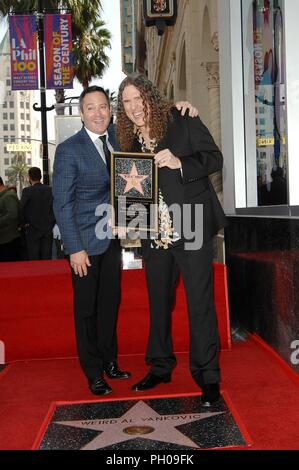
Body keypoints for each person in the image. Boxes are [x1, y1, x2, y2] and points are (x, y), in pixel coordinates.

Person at [52, 85, 198, 396]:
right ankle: (93, 372)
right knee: (86, 310)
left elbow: (149, 128)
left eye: (103, 106)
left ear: (110, 110)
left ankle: (109, 362)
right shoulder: (69, 149)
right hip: (83, 246)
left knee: (109, 305)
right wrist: (74, 248)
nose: (98, 113)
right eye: (90, 108)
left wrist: (179, 107)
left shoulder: (120, 141)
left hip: (112, 240)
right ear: (81, 113)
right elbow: (61, 203)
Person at [116, 73, 227, 407]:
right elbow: (134, 196)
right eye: (127, 101)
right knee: (159, 303)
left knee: (200, 305)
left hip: (191, 228)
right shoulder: (130, 144)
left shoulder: (181, 119)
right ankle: (161, 366)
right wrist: (127, 223)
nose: (134, 106)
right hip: (154, 237)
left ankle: (208, 379)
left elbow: (215, 158)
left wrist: (181, 163)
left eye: (138, 98)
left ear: (150, 96)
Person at [20, 167, 55, 260]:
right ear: (41, 177)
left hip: (32, 229)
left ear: (29, 177)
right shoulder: (50, 190)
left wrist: (24, 224)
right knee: (46, 257)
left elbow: (22, 208)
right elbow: (55, 207)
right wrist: (52, 222)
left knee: (34, 258)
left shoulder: (27, 191)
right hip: (47, 229)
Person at [0, 176, 21, 262]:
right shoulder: (4, 196)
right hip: (5, 238)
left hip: (9, 239)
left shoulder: (8, 196)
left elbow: (12, 214)